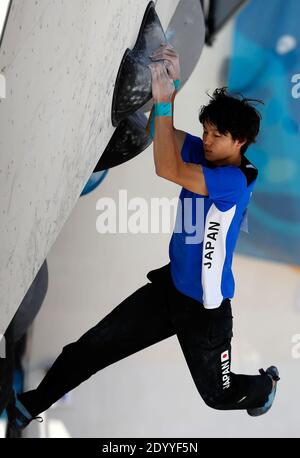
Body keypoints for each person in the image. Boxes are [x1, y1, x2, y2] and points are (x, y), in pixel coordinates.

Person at [6, 44, 279, 431]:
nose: (205, 140)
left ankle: (265, 386)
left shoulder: (232, 184)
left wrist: (166, 101)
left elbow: (166, 167)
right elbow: (160, 133)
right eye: (204, 131)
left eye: (216, 135)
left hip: (205, 314)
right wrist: (171, 89)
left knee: (217, 396)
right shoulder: (208, 156)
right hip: (169, 292)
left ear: (240, 142)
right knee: (89, 350)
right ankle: (26, 406)